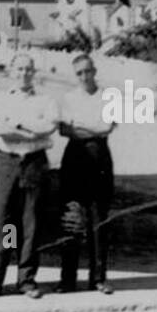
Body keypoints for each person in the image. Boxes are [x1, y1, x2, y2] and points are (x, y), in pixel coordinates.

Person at [0, 51, 58, 299]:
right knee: (4, 222)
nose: (24, 74)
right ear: (12, 72)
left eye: (28, 69)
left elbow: (51, 126)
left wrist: (18, 126)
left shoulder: (46, 100)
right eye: (20, 69)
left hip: (33, 164)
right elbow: (1, 130)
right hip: (7, 163)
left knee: (30, 222)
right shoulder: (0, 98)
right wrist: (34, 133)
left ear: (34, 73)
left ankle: (26, 279)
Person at [58, 54, 116, 294]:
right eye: (79, 73)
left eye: (87, 71)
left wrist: (80, 127)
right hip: (74, 158)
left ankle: (98, 278)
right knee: (72, 219)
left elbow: (107, 127)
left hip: (99, 157)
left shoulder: (108, 97)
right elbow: (63, 129)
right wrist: (91, 129)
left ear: (95, 71)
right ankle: (67, 279)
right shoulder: (68, 98)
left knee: (98, 219)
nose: (84, 77)